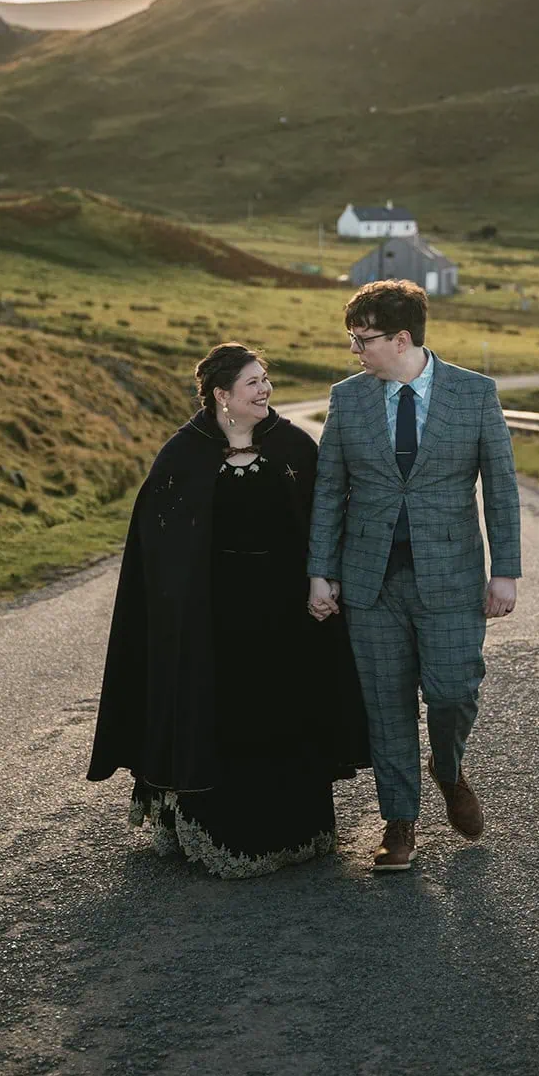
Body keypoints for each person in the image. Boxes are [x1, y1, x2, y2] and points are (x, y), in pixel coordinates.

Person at [88, 342, 369, 879]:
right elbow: (159, 539)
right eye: (253, 383)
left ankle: (296, 832)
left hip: (285, 614)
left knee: (283, 706)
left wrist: (324, 579)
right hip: (209, 616)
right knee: (221, 710)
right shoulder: (183, 454)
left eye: (266, 379)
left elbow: (323, 520)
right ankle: (219, 834)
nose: (265, 390)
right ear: (222, 395)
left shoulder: (293, 447)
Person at [307, 280, 521, 873]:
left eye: (363, 339)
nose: (356, 351)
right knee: (386, 703)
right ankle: (398, 823)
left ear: (401, 338)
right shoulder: (347, 398)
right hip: (371, 580)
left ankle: (448, 769)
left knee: (454, 691)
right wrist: (320, 572)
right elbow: (329, 489)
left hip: (451, 579)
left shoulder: (474, 394)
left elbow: (500, 488)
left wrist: (505, 571)